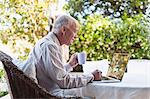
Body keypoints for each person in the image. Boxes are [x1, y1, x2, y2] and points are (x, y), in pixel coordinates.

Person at [14, 14, 102, 98]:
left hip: (48, 92)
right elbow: (64, 81)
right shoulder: (49, 46)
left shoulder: (46, 42)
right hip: (49, 95)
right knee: (95, 94)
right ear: (63, 30)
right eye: (74, 31)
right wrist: (91, 76)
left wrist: (70, 65)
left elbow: (53, 74)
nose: (76, 36)